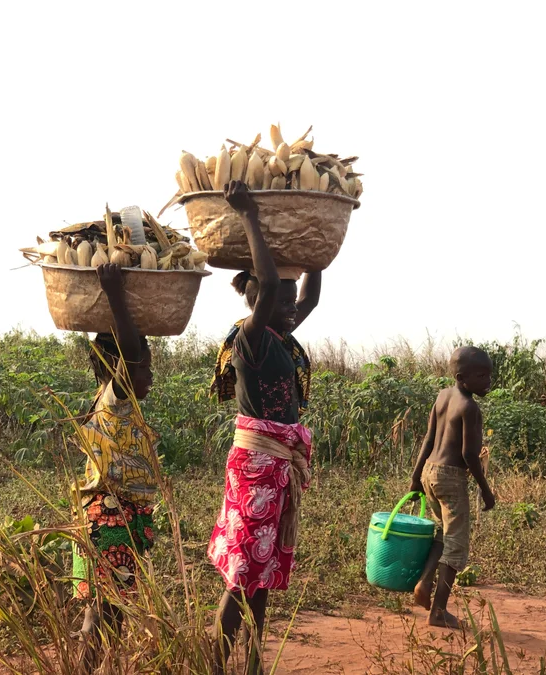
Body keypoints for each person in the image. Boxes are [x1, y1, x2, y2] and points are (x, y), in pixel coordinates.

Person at [207, 181, 321, 675]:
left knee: (263, 572)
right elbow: (272, 285)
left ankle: (253, 664)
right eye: (281, 301)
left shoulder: (283, 338)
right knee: (241, 577)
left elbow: (308, 292)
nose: (291, 307)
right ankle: (210, 664)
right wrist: (249, 215)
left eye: (292, 302)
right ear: (258, 303)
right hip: (256, 467)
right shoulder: (250, 341)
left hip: (277, 467)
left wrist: (315, 239)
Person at [72, 263, 159, 638]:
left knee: (111, 613)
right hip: (109, 522)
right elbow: (131, 356)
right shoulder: (115, 398)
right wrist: (114, 294)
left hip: (114, 522)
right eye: (145, 369)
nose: (149, 376)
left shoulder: (108, 403)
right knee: (101, 615)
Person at [409, 346, 496, 629]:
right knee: (456, 546)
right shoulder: (470, 408)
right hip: (451, 477)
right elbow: (470, 454)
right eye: (482, 375)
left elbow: (428, 438)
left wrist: (415, 475)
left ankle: (424, 584)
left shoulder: (442, 396)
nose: (489, 381)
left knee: (441, 535)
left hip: (430, 472)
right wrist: (485, 487)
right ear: (462, 377)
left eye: (490, 375)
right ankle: (438, 612)